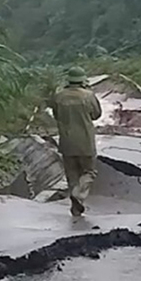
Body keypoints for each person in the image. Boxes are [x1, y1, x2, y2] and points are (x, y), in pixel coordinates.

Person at [48, 67, 102, 217]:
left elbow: (56, 115)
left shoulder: (58, 96)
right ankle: (78, 195)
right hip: (85, 142)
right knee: (89, 172)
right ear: (83, 80)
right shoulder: (88, 96)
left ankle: (75, 209)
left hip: (66, 142)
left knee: (72, 174)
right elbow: (96, 115)